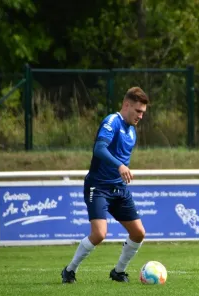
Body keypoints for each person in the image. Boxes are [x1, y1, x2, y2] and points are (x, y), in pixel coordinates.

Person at [61, 87, 149, 284]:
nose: (141, 116)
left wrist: (120, 171)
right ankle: (69, 270)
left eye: (143, 112)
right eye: (138, 111)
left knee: (138, 233)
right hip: (98, 186)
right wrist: (120, 166)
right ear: (126, 105)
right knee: (99, 234)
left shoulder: (132, 131)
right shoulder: (112, 122)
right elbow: (99, 148)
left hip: (118, 188)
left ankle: (118, 272)